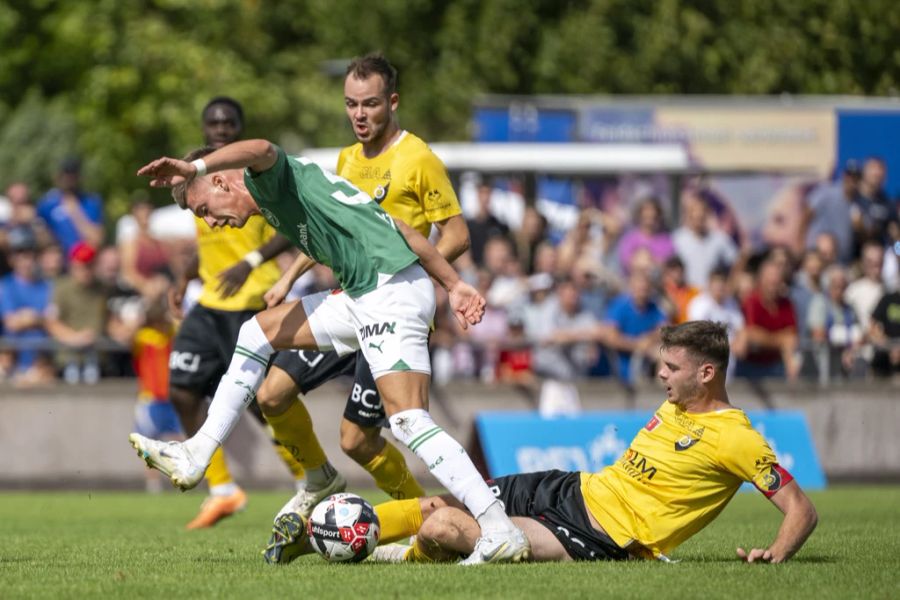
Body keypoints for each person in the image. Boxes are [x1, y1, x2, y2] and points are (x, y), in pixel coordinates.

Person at [129, 137, 530, 565]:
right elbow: (403, 229)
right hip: (361, 294)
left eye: (203, 208)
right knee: (256, 333)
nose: (210, 223)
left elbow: (263, 147)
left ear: (222, 183)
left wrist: (195, 168)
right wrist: (454, 284)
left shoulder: (266, 182)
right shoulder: (284, 197)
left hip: (389, 291)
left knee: (409, 420)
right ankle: (200, 452)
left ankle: (498, 528)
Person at [307, 322, 820, 564]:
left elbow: (801, 509)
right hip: (570, 486)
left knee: (444, 527)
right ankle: (316, 537)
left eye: (672, 368)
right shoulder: (677, 405)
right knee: (443, 502)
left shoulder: (738, 438)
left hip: (601, 538)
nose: (660, 374)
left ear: (707, 373)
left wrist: (773, 555)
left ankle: (371, 551)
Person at [254, 53, 470, 550]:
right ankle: (318, 479)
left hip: (390, 313)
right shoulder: (349, 159)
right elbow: (333, 229)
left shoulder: (417, 158)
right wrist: (288, 277)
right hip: (346, 302)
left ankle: (423, 517)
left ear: (392, 102)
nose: (360, 114)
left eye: (370, 104)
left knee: (358, 439)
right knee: (271, 394)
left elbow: (456, 233)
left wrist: (415, 273)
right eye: (351, 104)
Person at [163, 97, 305, 529]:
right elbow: (208, 244)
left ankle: (308, 482)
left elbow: (291, 227)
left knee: (266, 407)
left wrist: (252, 263)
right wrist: (186, 276)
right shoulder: (196, 178)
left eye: (229, 122)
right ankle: (223, 490)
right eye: (213, 123)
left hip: (252, 301)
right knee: (182, 391)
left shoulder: (252, 177)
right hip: (209, 303)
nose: (221, 128)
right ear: (204, 129)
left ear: (240, 127)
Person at [44, 242, 107, 384]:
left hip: (98, 360)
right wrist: (75, 338)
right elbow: (52, 322)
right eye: (82, 265)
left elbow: (110, 319)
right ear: (73, 265)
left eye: (89, 265)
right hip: (68, 360)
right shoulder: (61, 288)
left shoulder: (103, 290)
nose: (85, 270)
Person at [36, 157, 104, 256]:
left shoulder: (91, 202)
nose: (70, 179)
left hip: (84, 261)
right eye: (66, 174)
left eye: (73, 174)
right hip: (59, 264)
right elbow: (40, 235)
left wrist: (74, 211)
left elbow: (97, 239)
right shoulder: (47, 203)